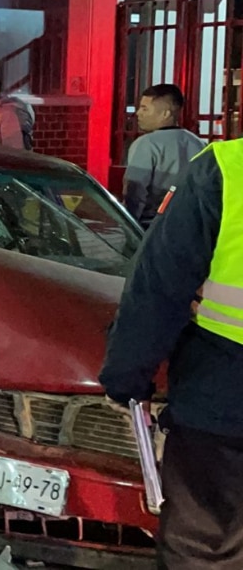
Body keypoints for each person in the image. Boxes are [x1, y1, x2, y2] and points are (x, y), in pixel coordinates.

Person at [99, 138, 243, 566]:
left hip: (223, 399)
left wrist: (127, 376)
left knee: (206, 546)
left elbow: (159, 284)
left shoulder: (226, 168)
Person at [123, 84, 205, 229]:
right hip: (192, 225)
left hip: (154, 225)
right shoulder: (199, 144)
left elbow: (135, 192)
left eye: (144, 108)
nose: (138, 113)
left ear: (166, 114)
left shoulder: (146, 144)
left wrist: (130, 226)